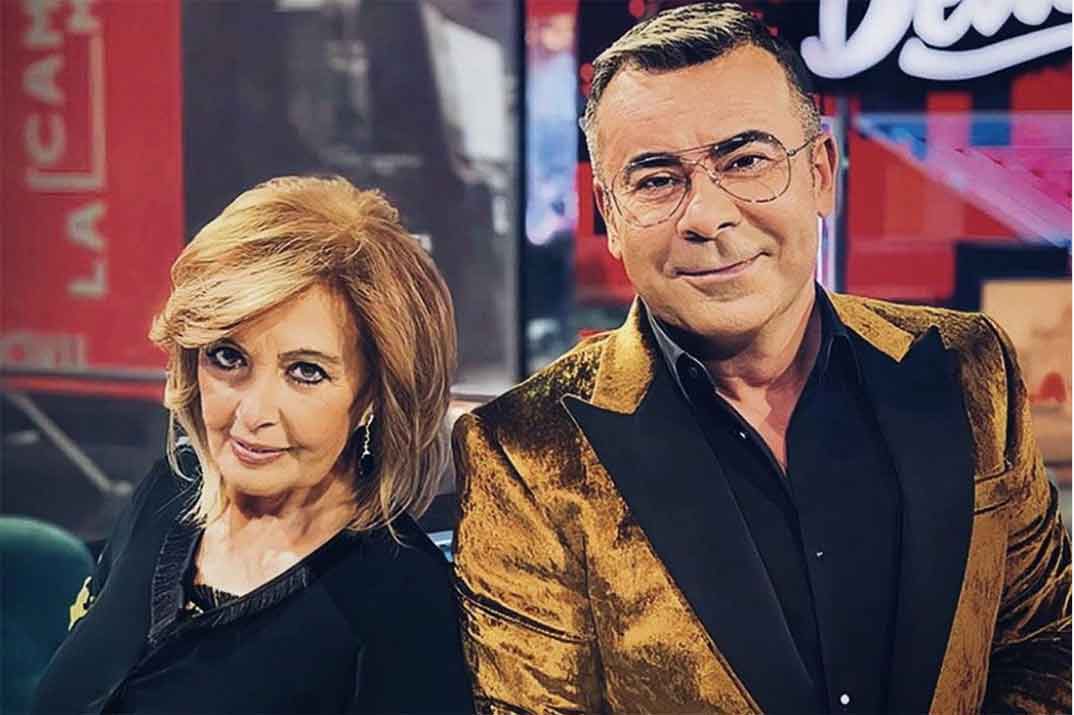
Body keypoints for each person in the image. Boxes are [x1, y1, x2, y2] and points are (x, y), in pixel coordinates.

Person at [451, 4, 1072, 714]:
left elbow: (1045, 644)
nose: (706, 215)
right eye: (656, 180)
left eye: (745, 161)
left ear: (821, 173)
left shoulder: (968, 366)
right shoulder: (523, 452)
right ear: (610, 214)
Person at [34, 176, 474, 714]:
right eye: (227, 357)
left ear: (373, 397)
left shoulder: (404, 606)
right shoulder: (171, 490)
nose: (252, 414)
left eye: (305, 372)